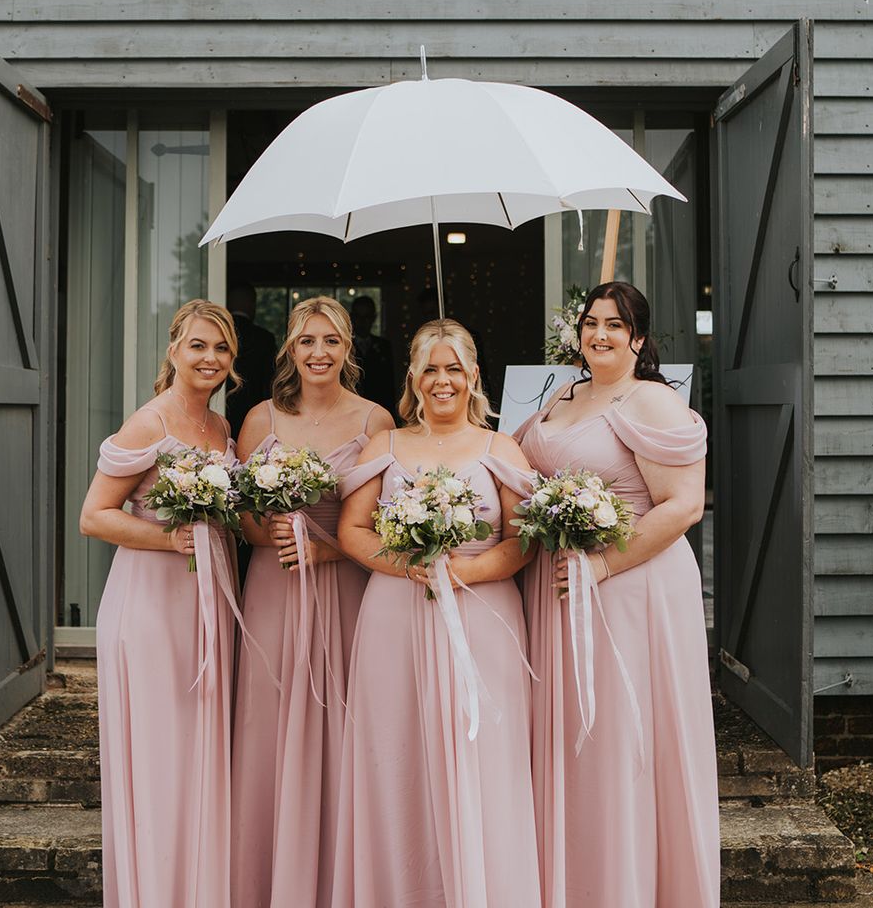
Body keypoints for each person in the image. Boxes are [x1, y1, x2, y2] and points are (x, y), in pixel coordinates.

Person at [515, 281, 720, 908]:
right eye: (590, 322)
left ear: (637, 338)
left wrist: (601, 566)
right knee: (576, 738)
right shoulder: (563, 396)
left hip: (633, 590)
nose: (599, 334)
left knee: (622, 739)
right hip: (558, 589)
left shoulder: (652, 401)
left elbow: (683, 507)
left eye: (614, 324)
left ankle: (632, 888)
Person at [332, 318, 541, 908]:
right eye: (430, 368)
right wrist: (409, 565)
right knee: (398, 754)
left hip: (483, 619)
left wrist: (467, 571)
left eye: (454, 368)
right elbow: (351, 530)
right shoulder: (386, 447)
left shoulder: (502, 449)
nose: (441, 380)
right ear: (412, 378)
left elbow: (523, 540)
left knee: (483, 757)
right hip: (395, 617)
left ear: (474, 376)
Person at [230, 296, 393, 908]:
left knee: (347, 717)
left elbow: (385, 522)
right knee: (269, 721)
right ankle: (271, 876)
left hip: (345, 583)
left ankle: (341, 879)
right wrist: (262, 531)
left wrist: (327, 551)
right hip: (274, 586)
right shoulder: (259, 420)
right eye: (306, 341)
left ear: (348, 348)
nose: (318, 353)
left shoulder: (377, 421)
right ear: (289, 351)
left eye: (330, 341)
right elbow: (241, 515)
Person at [80, 299, 242, 908]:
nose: (210, 358)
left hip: (205, 601)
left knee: (197, 751)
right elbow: (93, 517)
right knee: (157, 755)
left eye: (222, 348)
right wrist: (169, 537)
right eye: (198, 345)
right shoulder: (148, 423)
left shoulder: (222, 429)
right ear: (173, 350)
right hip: (149, 606)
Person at [225, 282, 277, 440]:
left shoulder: (222, 334)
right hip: (255, 407)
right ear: (252, 304)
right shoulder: (264, 338)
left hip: (223, 405)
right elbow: (270, 380)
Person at [349, 294, 397, 418]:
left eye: (367, 317)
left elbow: (389, 383)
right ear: (352, 317)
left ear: (373, 318)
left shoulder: (384, 345)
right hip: (351, 409)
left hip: (379, 409)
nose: (362, 321)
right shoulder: (345, 346)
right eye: (358, 316)